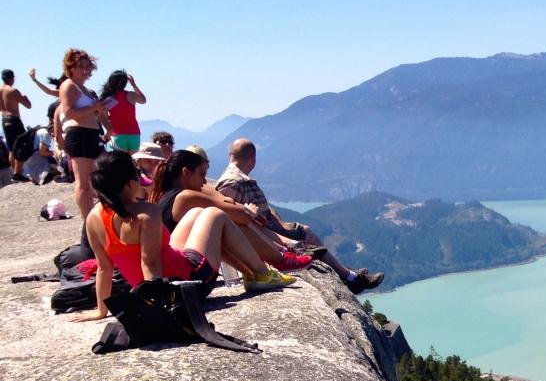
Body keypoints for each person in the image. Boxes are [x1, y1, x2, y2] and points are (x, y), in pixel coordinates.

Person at [70, 151, 295, 325]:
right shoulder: (146, 213)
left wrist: (102, 311)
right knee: (215, 214)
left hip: (164, 279)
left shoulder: (93, 217)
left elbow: (104, 268)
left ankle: (253, 273)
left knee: (196, 213)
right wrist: (160, 307)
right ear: (129, 184)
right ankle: (262, 274)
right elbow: (150, 262)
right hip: (189, 285)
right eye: (137, 176)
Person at [216, 138, 384, 293]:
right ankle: (351, 278)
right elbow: (232, 219)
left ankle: (348, 274)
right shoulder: (232, 182)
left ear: (231, 155)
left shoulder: (236, 178)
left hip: (268, 227)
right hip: (264, 233)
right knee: (307, 239)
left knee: (305, 232)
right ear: (253, 159)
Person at [151, 149, 312, 274]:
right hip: (187, 271)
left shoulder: (165, 197)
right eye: (201, 174)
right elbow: (241, 216)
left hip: (171, 267)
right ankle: (279, 260)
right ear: (186, 173)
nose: (204, 181)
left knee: (221, 222)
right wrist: (245, 210)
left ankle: (272, 262)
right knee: (227, 220)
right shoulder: (186, 197)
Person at [58, 49, 111, 223]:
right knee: (82, 182)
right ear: (71, 67)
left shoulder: (85, 89)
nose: (85, 70)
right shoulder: (68, 85)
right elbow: (69, 112)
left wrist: (98, 110)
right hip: (79, 134)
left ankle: (90, 218)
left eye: (88, 66)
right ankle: (86, 220)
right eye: (80, 66)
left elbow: (87, 114)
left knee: (91, 181)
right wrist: (94, 107)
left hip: (90, 133)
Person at [99, 71, 147, 153]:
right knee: (132, 160)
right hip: (134, 133)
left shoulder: (108, 99)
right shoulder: (131, 95)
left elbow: (106, 120)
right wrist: (134, 85)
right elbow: (143, 100)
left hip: (118, 134)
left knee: (120, 160)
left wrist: (107, 135)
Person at [1, 69, 33, 181]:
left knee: (11, 148)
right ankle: (17, 172)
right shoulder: (13, 90)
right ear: (12, 78)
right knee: (23, 144)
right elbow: (28, 105)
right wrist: (25, 98)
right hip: (14, 120)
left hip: (4, 120)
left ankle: (15, 173)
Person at [26, 103, 61, 185]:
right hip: (39, 167)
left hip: (29, 165)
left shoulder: (41, 127)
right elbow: (42, 152)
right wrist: (56, 153)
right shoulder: (47, 133)